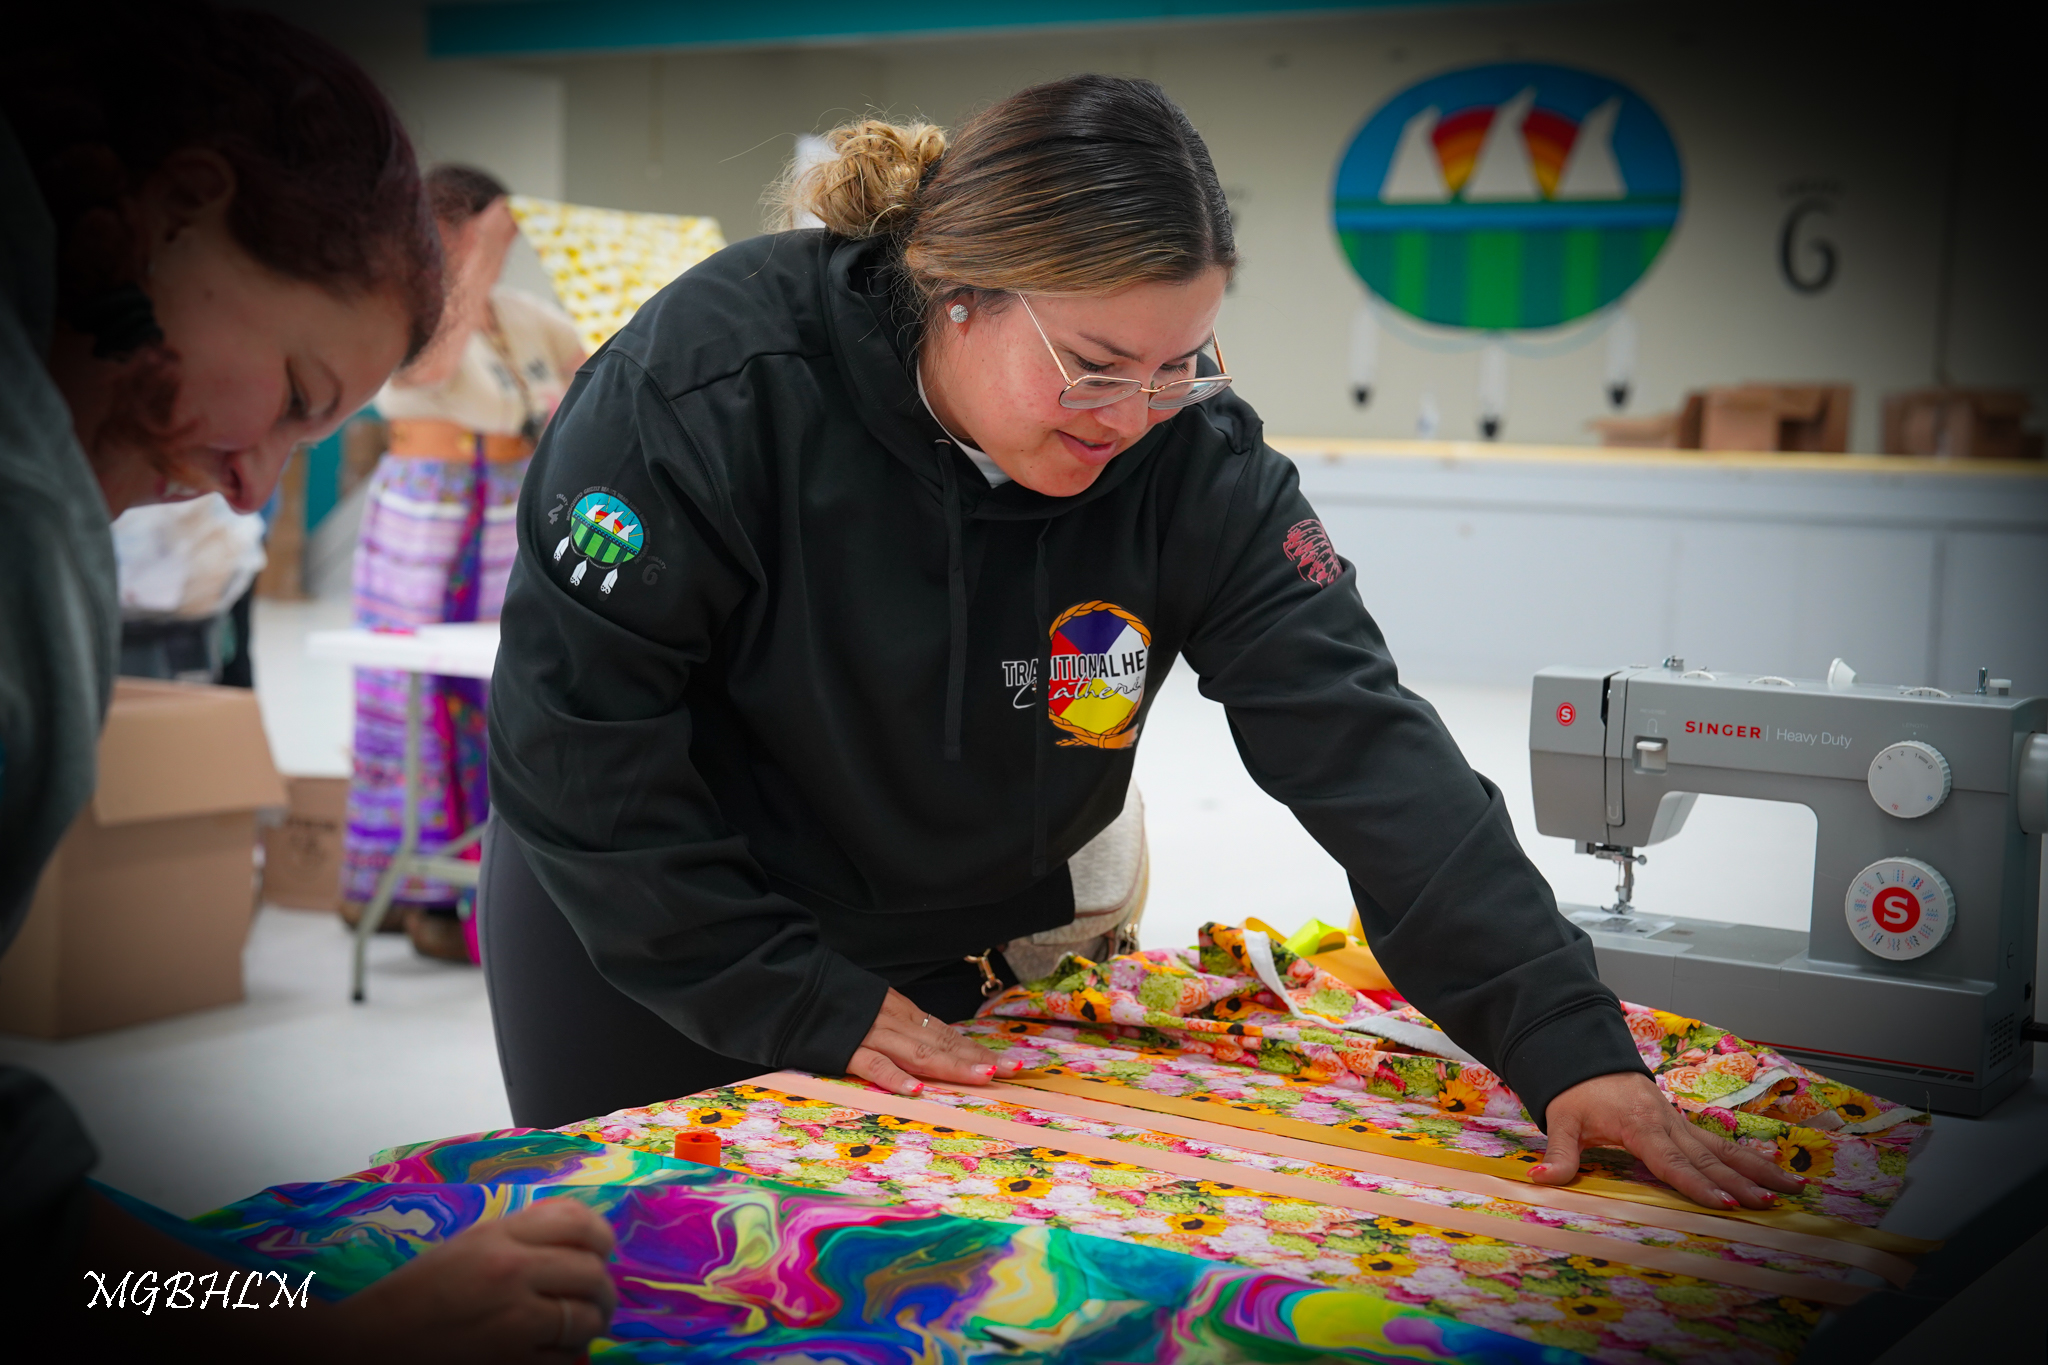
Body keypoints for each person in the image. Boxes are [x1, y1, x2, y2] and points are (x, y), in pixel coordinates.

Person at [482, 76, 1802, 1216]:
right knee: (658, 1280)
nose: (1133, 416)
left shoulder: (1189, 461)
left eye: (1181, 364)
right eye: (1096, 364)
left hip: (938, 949)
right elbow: (575, 735)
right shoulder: (710, 387)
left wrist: (1567, 1044)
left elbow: (1365, 749)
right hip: (658, 932)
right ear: (956, 294)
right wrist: (786, 995)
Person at [0, 3, 614, 1352]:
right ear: (181, 212)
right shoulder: (23, 524)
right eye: (291, 395)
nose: (248, 488)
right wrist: (313, 1333)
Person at [342, 164, 585, 963]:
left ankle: (470, 888)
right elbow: (433, 367)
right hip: (426, 515)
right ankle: (404, 892)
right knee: (412, 698)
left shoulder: (520, 315)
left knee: (495, 689)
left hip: (506, 512)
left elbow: (590, 366)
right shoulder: (415, 308)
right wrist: (474, 253)